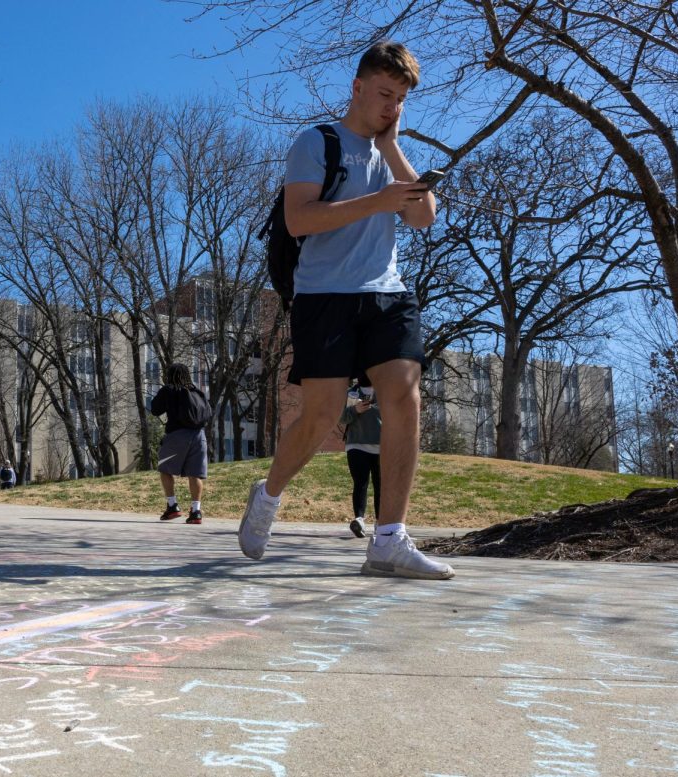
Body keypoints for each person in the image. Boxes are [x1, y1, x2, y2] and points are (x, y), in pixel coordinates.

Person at [237, 41, 454, 579]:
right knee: (322, 416)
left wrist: (396, 147)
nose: (391, 106)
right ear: (357, 88)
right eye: (384, 94)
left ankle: (389, 540)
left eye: (401, 99)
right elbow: (299, 220)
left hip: (387, 292)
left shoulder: (391, 153)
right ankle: (267, 495)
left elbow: (423, 218)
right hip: (323, 295)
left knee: (404, 396)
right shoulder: (317, 142)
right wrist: (378, 201)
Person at [150, 363, 210, 525]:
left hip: (177, 435)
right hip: (199, 436)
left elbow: (155, 410)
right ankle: (196, 511)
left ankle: (172, 505)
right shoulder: (196, 391)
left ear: (170, 376)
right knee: (195, 474)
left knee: (164, 469)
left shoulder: (169, 390)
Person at [341, 384, 381, 538]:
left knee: (381, 486)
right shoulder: (351, 393)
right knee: (360, 483)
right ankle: (359, 520)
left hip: (382, 446)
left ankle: (381, 523)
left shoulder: (384, 391)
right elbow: (341, 418)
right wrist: (355, 410)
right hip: (356, 445)